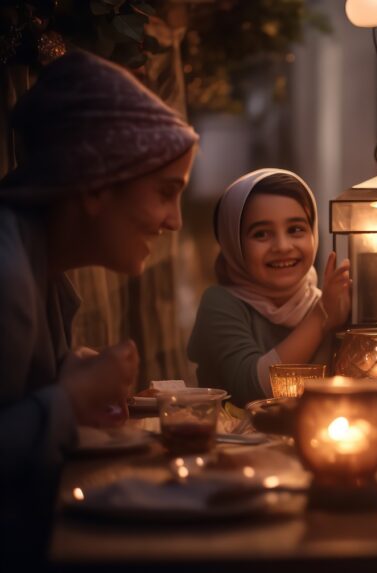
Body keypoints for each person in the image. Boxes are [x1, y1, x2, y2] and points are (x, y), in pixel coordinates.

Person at [0, 50, 198, 559]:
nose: (174, 221)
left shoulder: (42, 268)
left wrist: (67, 373)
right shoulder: (7, 273)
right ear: (94, 183)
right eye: (164, 192)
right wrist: (68, 402)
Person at [188, 169, 351, 407]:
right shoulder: (220, 302)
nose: (283, 246)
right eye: (261, 234)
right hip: (232, 443)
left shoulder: (329, 302)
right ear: (234, 243)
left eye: (295, 229)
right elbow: (253, 388)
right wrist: (321, 317)